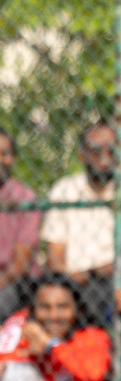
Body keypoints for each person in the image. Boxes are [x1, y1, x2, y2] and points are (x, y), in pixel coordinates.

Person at [40, 122, 121, 325]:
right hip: (67, 278)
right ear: (82, 155)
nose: (104, 157)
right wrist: (65, 279)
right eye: (96, 150)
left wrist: (88, 273)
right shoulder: (64, 190)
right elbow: (55, 252)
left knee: (95, 295)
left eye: (112, 149)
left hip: (112, 279)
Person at [0, 128, 42, 319]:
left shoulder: (25, 198)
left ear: (14, 158)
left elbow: (20, 265)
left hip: (13, 281)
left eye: (5, 154)